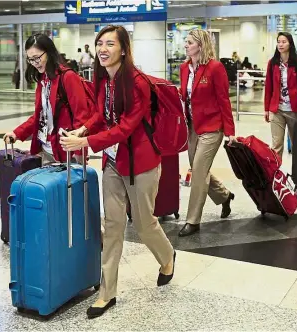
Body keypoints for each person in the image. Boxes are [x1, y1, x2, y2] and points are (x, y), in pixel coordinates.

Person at [59, 25, 176, 318]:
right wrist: (85, 127)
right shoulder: (103, 80)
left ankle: (167, 256)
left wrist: (85, 141)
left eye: (109, 43)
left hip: (141, 164)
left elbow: (125, 128)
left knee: (144, 222)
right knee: (112, 226)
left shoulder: (137, 83)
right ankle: (107, 293)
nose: (102, 49)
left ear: (124, 49)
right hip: (112, 162)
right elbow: (102, 114)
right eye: (99, 43)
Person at [178, 29, 236, 237]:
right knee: (197, 167)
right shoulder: (184, 68)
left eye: (190, 42)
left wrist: (230, 131)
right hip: (193, 126)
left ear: (200, 46)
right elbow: (184, 96)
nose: (185, 45)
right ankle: (225, 195)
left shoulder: (215, 68)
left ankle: (192, 220)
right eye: (186, 41)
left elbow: (224, 100)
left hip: (213, 127)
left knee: (199, 172)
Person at [3, 33, 92, 164]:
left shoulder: (68, 77)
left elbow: (81, 116)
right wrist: (17, 133)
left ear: (49, 53)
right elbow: (40, 115)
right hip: (46, 149)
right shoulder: (42, 79)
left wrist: (80, 151)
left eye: (37, 58)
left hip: (66, 151)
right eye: (30, 59)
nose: (34, 63)